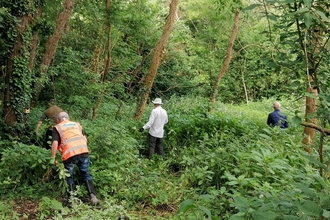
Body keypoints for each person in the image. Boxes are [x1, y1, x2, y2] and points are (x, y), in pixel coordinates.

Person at [50, 112, 100, 205]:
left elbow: (55, 143)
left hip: (70, 154)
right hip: (83, 151)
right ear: (68, 118)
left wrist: (52, 158)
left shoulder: (57, 127)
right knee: (85, 173)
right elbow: (85, 139)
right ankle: (93, 197)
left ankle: (72, 201)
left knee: (69, 176)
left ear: (58, 120)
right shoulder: (77, 124)